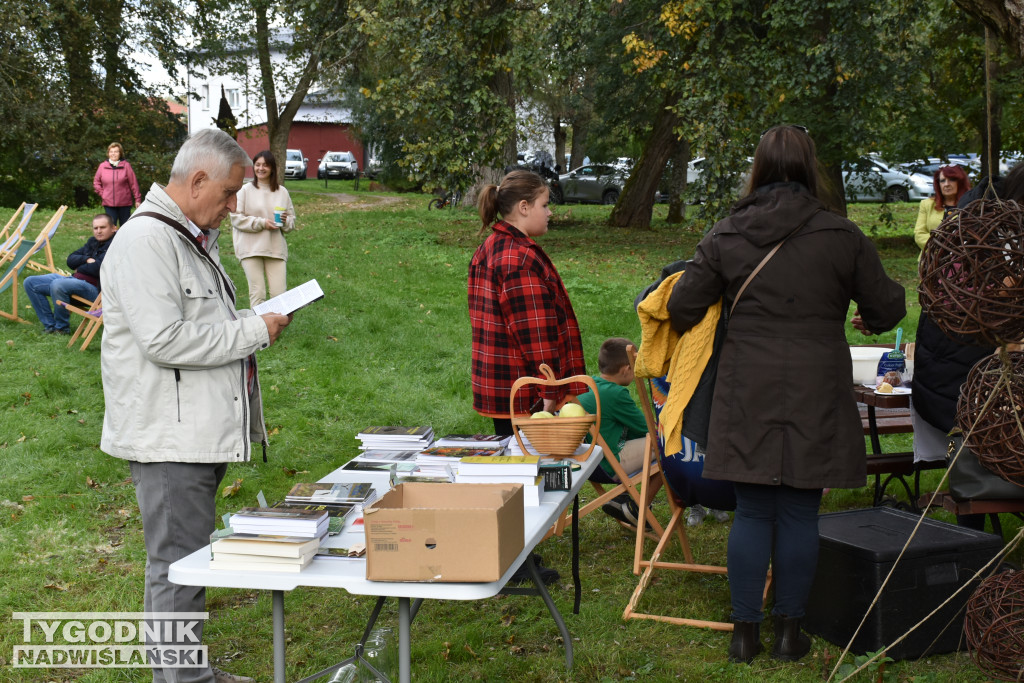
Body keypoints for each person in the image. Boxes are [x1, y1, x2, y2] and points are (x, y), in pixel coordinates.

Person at [666, 125, 906, 664]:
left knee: (753, 511)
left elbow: (682, 308)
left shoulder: (726, 234)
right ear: (809, 167)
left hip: (747, 382)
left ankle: (744, 635)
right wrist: (860, 313)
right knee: (799, 511)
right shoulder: (843, 235)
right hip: (816, 381)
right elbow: (889, 307)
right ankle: (788, 634)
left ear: (758, 167)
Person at [100, 128, 292, 683]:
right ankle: (181, 680)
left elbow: (200, 325)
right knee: (177, 566)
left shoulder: (184, 236)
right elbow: (163, 340)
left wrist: (253, 322)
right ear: (198, 179)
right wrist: (253, 331)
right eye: (230, 193)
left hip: (193, 429)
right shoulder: (145, 242)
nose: (234, 204)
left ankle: (188, 674)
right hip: (168, 436)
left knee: (186, 560)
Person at [468, 169, 587, 436]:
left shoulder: (491, 246)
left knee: (516, 467)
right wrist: (549, 391)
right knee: (534, 471)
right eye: (544, 205)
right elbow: (534, 333)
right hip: (527, 396)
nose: (549, 213)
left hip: (505, 387)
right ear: (524, 207)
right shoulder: (518, 259)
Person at [577, 337, 649, 525]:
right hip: (609, 465)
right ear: (626, 369)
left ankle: (625, 500)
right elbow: (646, 428)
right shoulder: (616, 394)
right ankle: (636, 506)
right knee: (665, 446)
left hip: (588, 465)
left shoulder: (586, 386)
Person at [23, 213, 116, 334]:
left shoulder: (115, 246)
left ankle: (62, 328)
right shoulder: (93, 242)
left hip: (96, 292)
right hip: (74, 281)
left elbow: (98, 268)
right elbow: (70, 259)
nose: (98, 231)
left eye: (102, 227)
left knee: (59, 284)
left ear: (113, 228)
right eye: (95, 228)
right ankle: (50, 326)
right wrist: (86, 260)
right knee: (30, 282)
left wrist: (80, 267)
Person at [230, 150, 296, 306]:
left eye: (265, 165)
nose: (260, 168)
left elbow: (291, 222)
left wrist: (286, 221)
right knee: (258, 293)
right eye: (257, 165)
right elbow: (236, 218)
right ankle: (258, 329)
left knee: (280, 295)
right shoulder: (245, 190)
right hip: (250, 248)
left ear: (272, 168)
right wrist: (261, 223)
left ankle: (276, 329)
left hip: (275, 248)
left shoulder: (282, 192)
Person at [913, 165, 970, 252]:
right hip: (931, 259)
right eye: (942, 181)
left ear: (960, 182)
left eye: (951, 179)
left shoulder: (970, 205)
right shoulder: (927, 204)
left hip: (962, 258)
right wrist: (940, 248)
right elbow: (919, 234)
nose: (946, 184)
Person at [93, 142, 142, 226]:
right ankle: (112, 240)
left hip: (125, 203)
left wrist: (137, 199)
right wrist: (103, 194)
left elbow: (133, 183)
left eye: (116, 151)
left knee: (125, 227)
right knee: (111, 227)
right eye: (111, 151)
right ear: (108, 153)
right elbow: (96, 182)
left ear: (120, 153)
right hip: (109, 203)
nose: (113, 154)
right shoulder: (102, 166)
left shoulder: (126, 166)